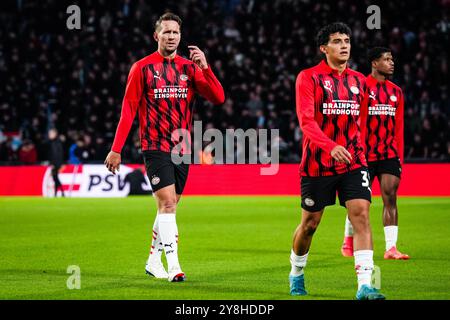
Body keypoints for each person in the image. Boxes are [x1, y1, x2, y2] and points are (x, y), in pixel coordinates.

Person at [104, 12, 225, 282]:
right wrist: (116, 148)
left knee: (169, 207)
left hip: (183, 147)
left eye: (176, 33)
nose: (171, 37)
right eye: (166, 32)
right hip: (154, 145)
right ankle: (174, 267)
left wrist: (205, 67)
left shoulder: (189, 68)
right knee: (168, 203)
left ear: (180, 37)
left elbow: (218, 97)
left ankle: (152, 261)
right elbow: (129, 109)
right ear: (156, 35)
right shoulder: (142, 68)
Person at [289, 22, 385, 300]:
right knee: (310, 224)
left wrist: (363, 151)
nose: (344, 45)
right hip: (317, 163)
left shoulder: (359, 81)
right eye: (337, 41)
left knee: (362, 216)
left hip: (354, 162)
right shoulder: (308, 78)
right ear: (323, 48)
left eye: (347, 40)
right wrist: (330, 146)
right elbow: (306, 121)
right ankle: (296, 272)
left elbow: (363, 120)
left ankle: (365, 285)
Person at [341, 47, 409, 260]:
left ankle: (391, 248)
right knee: (359, 202)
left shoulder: (396, 92)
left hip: (388, 153)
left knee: (390, 196)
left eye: (392, 59)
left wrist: (400, 157)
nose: (392, 63)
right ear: (374, 63)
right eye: (386, 59)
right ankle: (348, 239)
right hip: (364, 154)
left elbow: (399, 128)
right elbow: (353, 122)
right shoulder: (361, 88)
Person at [48, 128, 65, 197]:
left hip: (56, 164)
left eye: (51, 133)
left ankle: (62, 192)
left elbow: (56, 155)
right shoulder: (55, 142)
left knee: (56, 178)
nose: (49, 135)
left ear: (55, 134)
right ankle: (57, 193)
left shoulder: (56, 143)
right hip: (56, 163)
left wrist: (54, 164)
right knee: (55, 178)